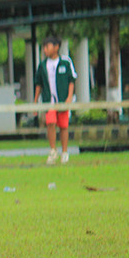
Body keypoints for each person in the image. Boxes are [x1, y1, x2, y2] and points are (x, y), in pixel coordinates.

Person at [33, 36, 76, 165]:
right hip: (49, 100)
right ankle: (53, 150)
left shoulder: (65, 62)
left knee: (63, 126)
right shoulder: (42, 65)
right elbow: (38, 84)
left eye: (47, 46)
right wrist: (35, 101)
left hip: (62, 100)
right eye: (44, 47)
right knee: (50, 123)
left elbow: (71, 80)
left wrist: (69, 97)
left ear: (56, 47)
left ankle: (64, 152)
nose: (45, 50)